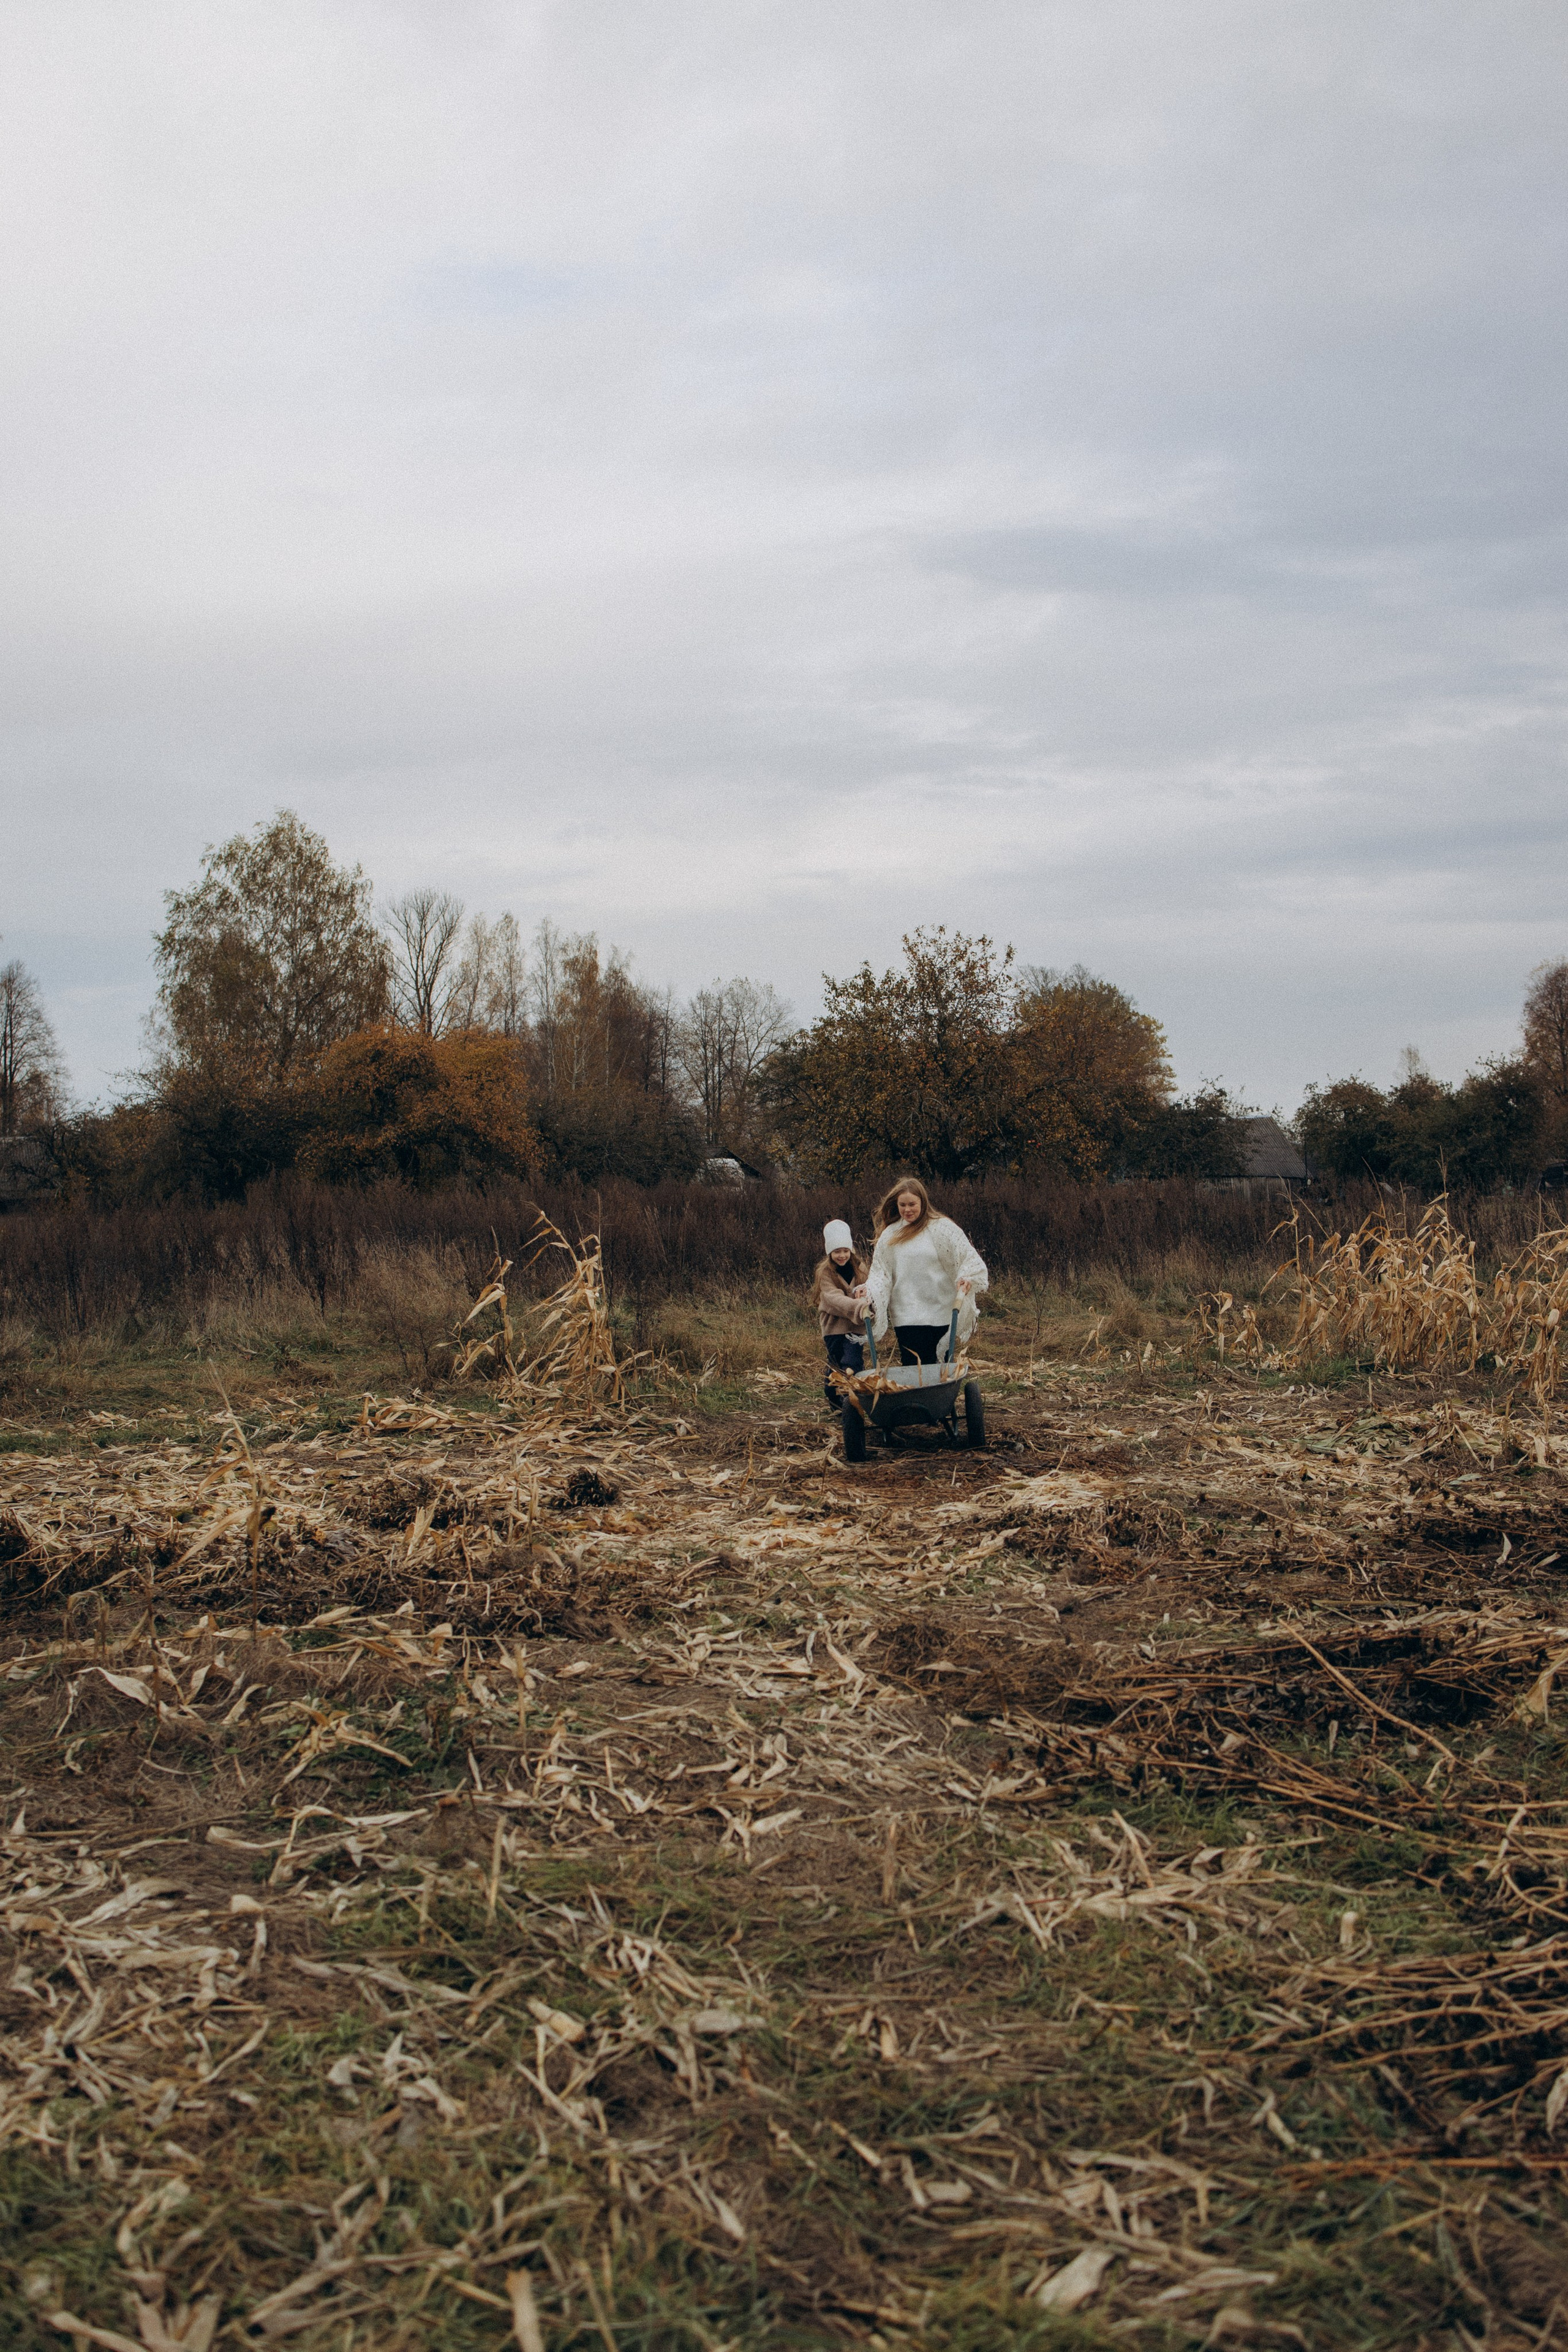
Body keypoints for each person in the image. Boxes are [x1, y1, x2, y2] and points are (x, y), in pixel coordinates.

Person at [865, 1177, 988, 1365]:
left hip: (940, 1310)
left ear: (923, 1202)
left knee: (941, 1365)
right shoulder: (890, 1235)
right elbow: (880, 1274)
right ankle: (915, 1396)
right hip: (906, 1313)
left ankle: (941, 1395)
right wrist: (869, 1292)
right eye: (902, 1205)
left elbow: (967, 1257)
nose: (908, 1210)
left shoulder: (942, 1228)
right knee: (912, 1366)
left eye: (912, 1204)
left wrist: (966, 1277)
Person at [813, 1218, 869, 1408]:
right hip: (834, 1330)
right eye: (837, 1252)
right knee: (835, 1366)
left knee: (852, 1363)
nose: (842, 1255)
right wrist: (859, 1307)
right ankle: (834, 1399)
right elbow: (834, 1300)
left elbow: (869, 1290)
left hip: (856, 1329)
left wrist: (867, 1299)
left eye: (845, 1250)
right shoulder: (826, 1274)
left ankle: (851, 1403)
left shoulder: (860, 1269)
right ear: (830, 1253)